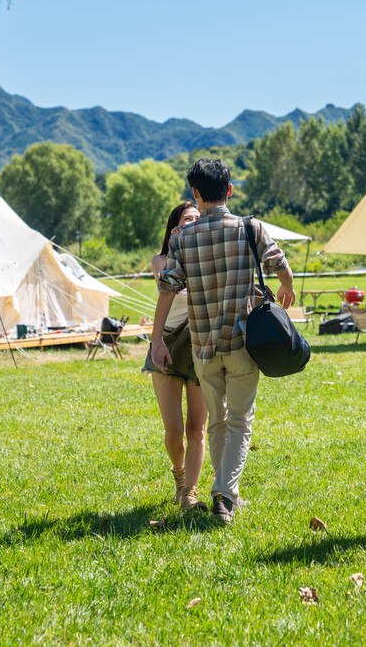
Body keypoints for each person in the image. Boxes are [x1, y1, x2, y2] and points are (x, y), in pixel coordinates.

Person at [149, 157, 295, 523]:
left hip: (202, 346)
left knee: (217, 421)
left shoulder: (183, 238)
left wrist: (156, 341)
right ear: (229, 190)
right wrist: (287, 286)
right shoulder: (250, 227)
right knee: (240, 422)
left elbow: (166, 290)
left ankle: (227, 491)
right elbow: (280, 264)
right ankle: (224, 493)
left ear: (195, 194)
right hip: (243, 342)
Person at [143, 201, 207, 511]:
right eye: (187, 219)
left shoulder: (208, 257)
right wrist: (181, 247)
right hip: (166, 342)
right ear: (175, 227)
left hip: (199, 343)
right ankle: (179, 477)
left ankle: (190, 494)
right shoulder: (161, 259)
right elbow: (166, 282)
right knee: (174, 431)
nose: (194, 222)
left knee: (197, 428)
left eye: (198, 218)